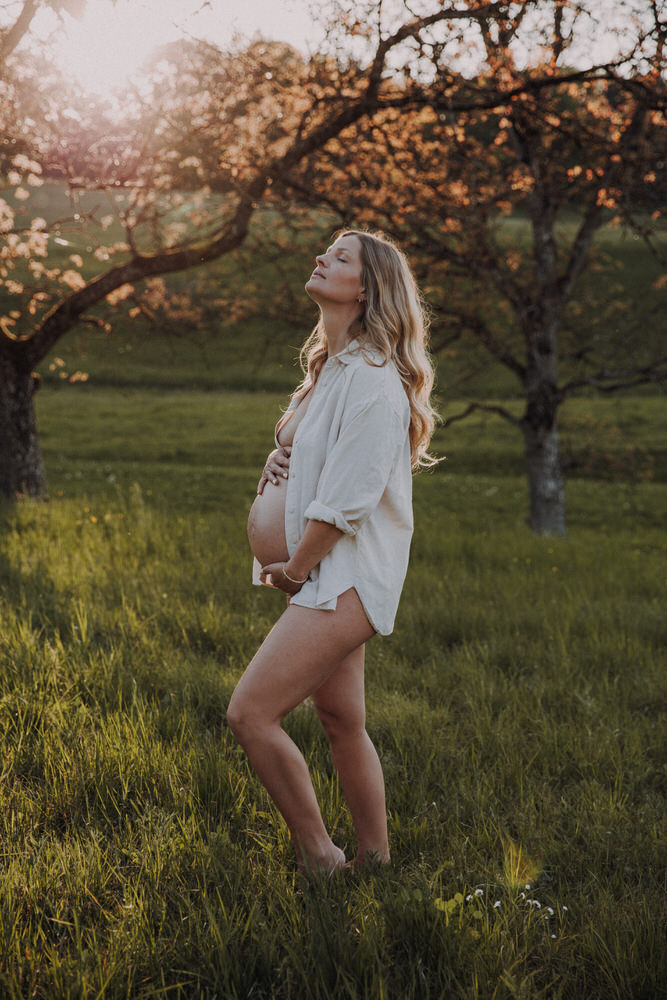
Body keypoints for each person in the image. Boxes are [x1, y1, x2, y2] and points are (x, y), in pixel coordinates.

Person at [227, 229, 438, 875]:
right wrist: (279, 458)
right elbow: (318, 457)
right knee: (341, 718)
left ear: (367, 287)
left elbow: (349, 499)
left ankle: (321, 856)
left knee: (250, 713)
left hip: (336, 576)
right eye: (324, 250)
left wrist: (293, 568)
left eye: (339, 257)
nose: (320, 257)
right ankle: (375, 860)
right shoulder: (329, 366)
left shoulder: (372, 379)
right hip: (323, 574)